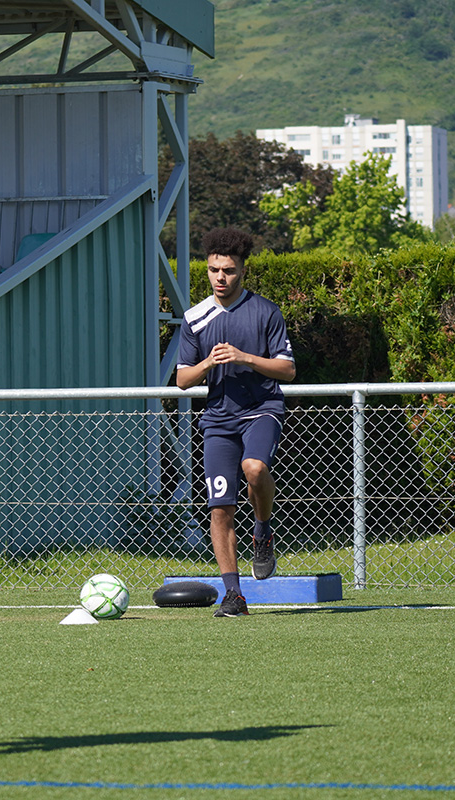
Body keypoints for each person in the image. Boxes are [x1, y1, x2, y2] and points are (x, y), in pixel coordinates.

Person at [175, 228, 295, 617]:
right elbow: (181, 380)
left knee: (255, 468)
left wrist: (244, 357)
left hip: (261, 409)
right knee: (220, 507)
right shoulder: (195, 318)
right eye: (213, 270)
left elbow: (287, 370)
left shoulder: (266, 312)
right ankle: (234, 596)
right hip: (218, 421)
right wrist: (208, 362)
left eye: (228, 270)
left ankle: (263, 531)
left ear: (243, 270)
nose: (220, 278)